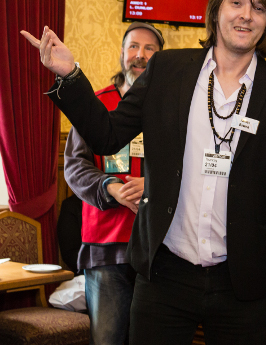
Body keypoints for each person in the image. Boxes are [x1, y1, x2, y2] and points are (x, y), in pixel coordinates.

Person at [22, 0, 266, 345]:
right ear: (216, 10)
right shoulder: (168, 70)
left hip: (241, 283)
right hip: (164, 276)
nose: (246, 15)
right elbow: (107, 135)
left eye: (258, 8)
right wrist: (71, 76)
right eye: (236, 2)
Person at [62, 22, 163, 344]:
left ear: (160, 58)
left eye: (149, 49)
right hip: (106, 246)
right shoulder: (96, 104)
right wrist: (111, 188)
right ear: (122, 54)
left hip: (159, 247)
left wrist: (155, 184)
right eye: (133, 47)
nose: (140, 55)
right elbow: (75, 166)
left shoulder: (170, 109)